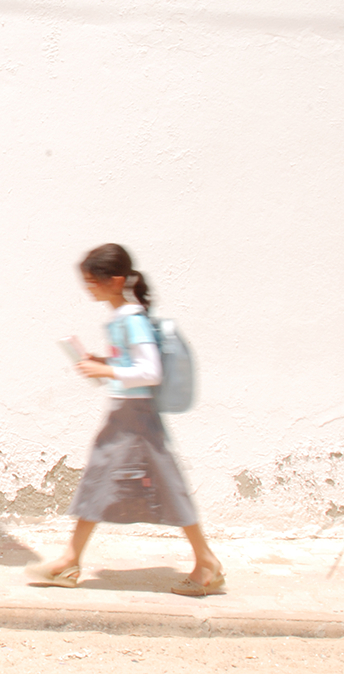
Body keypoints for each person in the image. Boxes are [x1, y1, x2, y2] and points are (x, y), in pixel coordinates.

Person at [24, 243, 226, 595]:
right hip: (125, 416)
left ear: (115, 281)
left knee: (162, 486)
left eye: (93, 281)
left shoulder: (132, 320)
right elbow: (132, 367)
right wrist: (101, 362)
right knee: (99, 481)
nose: (89, 288)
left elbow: (150, 372)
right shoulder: (122, 319)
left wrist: (105, 368)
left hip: (136, 420)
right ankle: (69, 561)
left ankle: (206, 562)